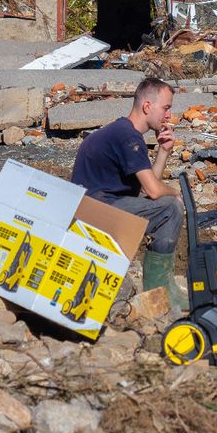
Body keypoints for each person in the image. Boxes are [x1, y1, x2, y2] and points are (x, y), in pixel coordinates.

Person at [71, 77, 186, 308]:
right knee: (171, 208)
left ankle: (159, 287)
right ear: (146, 106)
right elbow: (154, 191)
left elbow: (146, 187)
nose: (168, 116)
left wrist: (163, 152)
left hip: (92, 205)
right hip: (93, 210)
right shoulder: (128, 137)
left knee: (165, 203)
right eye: (165, 108)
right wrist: (176, 192)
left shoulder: (123, 132)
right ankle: (159, 290)